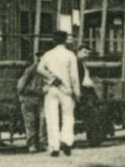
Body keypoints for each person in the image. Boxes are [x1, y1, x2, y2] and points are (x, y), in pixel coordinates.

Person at [37, 29, 81, 157]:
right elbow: (74, 76)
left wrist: (51, 77)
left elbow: (40, 69)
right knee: (68, 116)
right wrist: (77, 92)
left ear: (53, 40)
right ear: (65, 40)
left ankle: (54, 148)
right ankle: (66, 143)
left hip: (51, 89)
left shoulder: (47, 54)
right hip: (66, 90)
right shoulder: (70, 55)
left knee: (52, 118)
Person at [16, 50, 47, 152]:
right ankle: (32, 145)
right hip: (29, 97)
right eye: (39, 57)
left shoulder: (47, 70)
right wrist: (21, 95)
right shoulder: (32, 69)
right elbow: (21, 84)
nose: (40, 59)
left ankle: (42, 143)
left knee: (43, 121)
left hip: (41, 98)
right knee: (30, 122)